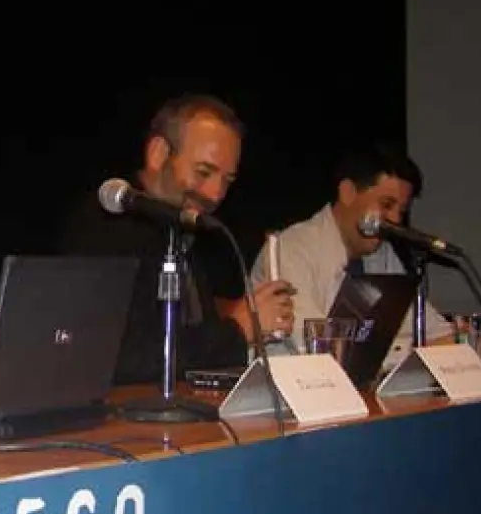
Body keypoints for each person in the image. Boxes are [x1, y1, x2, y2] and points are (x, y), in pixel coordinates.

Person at [60, 94, 294, 384]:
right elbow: (123, 357)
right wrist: (238, 329)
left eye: (227, 181)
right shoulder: (109, 228)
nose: (215, 194)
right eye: (204, 172)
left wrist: (243, 322)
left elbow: (188, 342)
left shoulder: (176, 226)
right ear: (158, 153)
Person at [249, 146, 454, 367]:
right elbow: (317, 346)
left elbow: (440, 335)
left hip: (360, 384)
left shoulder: (383, 254)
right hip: (296, 384)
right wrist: (412, 352)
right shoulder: (292, 248)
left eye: (401, 211)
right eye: (386, 205)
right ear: (347, 192)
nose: (395, 219)